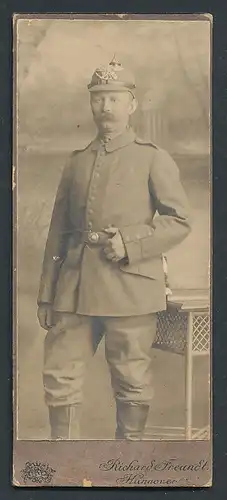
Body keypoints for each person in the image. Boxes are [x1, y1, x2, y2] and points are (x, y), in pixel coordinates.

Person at [37, 56, 191, 440]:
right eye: (98, 98)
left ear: (132, 104)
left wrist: (131, 242)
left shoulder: (152, 157)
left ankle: (127, 467)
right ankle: (62, 465)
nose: (105, 107)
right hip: (73, 289)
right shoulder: (76, 163)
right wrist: (46, 295)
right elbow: (58, 232)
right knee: (60, 376)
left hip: (130, 288)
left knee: (131, 379)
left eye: (114, 98)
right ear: (91, 103)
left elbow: (179, 221)